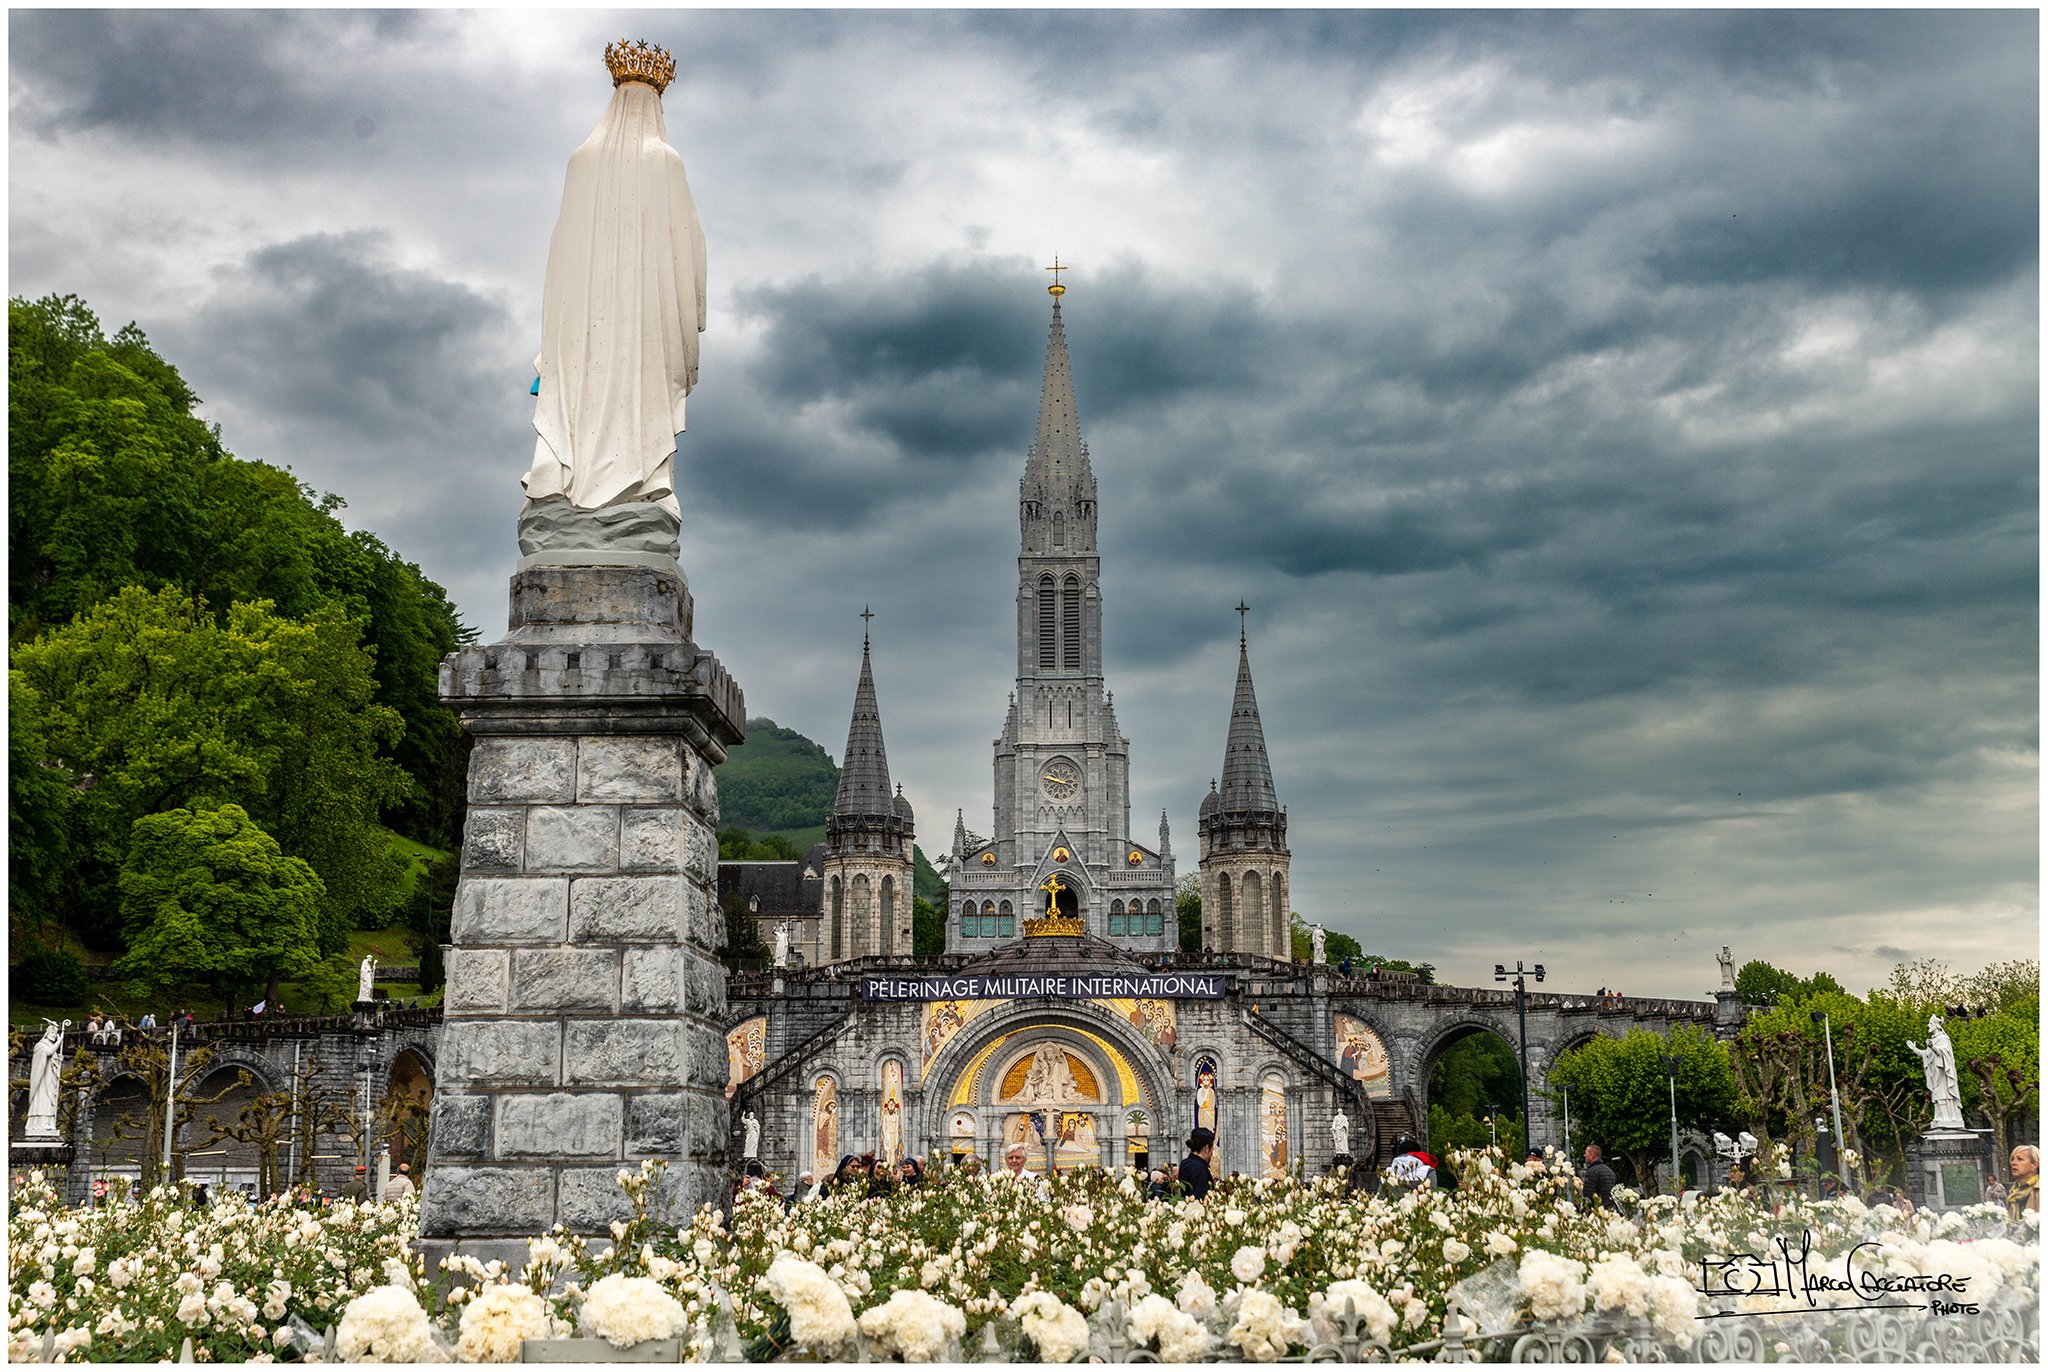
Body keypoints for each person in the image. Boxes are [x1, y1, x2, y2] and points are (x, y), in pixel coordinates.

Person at [1180, 1128, 1217, 1200]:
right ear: (1206, 1148)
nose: (1211, 1154)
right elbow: (1199, 1198)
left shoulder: (1185, 1163)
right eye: (1212, 1149)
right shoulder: (1199, 1168)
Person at [2008, 1145, 2040, 1221]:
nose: (2013, 1163)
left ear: (2035, 1165)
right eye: (2012, 1159)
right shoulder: (2014, 1191)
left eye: (2020, 1159)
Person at [1582, 1144, 1618, 1211]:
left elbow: (1588, 1195)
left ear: (1592, 1156)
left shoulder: (1592, 1172)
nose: (1584, 1155)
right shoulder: (1610, 1172)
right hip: (1611, 1210)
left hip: (1598, 1211)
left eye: (1586, 1153)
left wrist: (1586, 1210)